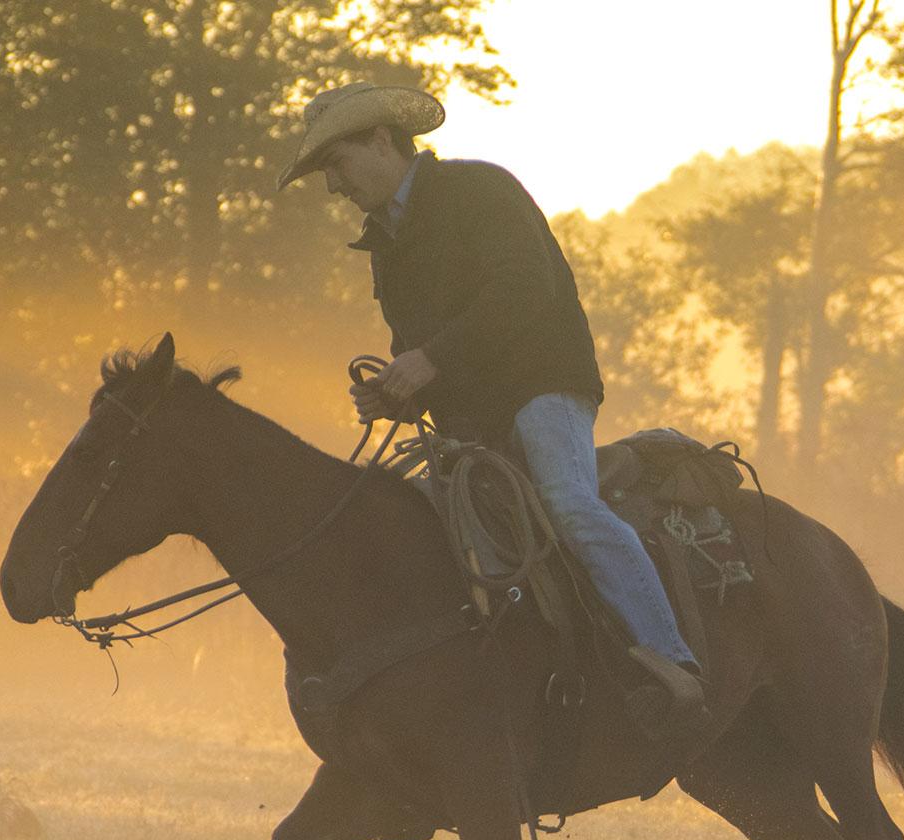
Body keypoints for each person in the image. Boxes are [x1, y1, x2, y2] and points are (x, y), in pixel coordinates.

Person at [278, 82, 706, 732]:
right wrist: (397, 394)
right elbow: (415, 350)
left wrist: (431, 361)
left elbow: (522, 289)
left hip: (543, 386)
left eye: (335, 164)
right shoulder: (385, 246)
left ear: (382, 141)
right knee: (413, 527)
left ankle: (674, 663)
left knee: (567, 501)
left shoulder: (479, 191)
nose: (333, 187)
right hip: (468, 419)